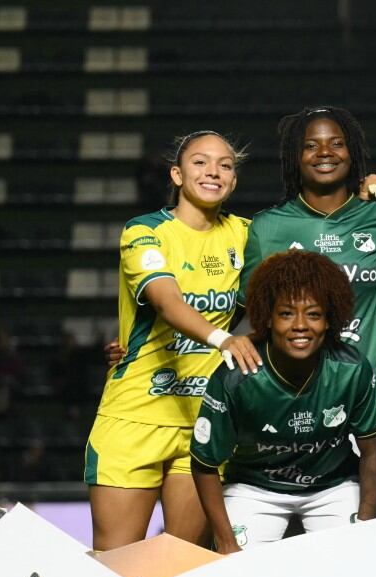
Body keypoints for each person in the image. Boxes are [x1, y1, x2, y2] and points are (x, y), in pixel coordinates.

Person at [85, 130, 261, 551]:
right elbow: (166, 301)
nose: (213, 171)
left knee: (183, 566)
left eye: (225, 165)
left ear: (234, 181)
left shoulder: (248, 235)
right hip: (133, 417)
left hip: (204, 421)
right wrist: (224, 339)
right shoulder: (144, 231)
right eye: (200, 162)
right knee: (116, 564)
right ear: (178, 175)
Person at [190, 251, 376, 553]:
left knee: (352, 566)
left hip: (331, 487)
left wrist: (366, 522)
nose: (301, 325)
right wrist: (226, 542)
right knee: (238, 572)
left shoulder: (351, 368)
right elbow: (204, 465)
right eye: (286, 313)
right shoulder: (237, 376)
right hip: (255, 488)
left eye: (314, 314)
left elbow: (372, 451)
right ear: (267, 318)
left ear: (330, 321)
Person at [237, 107, 376, 381]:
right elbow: (249, 317)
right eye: (311, 146)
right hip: (288, 394)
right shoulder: (267, 227)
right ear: (296, 157)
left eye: (337, 144)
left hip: (357, 392)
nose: (325, 152)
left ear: (352, 153)